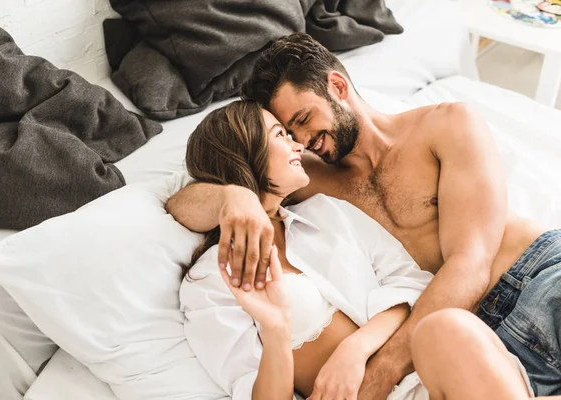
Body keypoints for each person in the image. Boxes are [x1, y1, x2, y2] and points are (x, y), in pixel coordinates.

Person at [166, 33, 561, 397]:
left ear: (337, 87)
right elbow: (181, 202)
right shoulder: (308, 179)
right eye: (287, 132)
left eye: (303, 120)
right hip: (457, 347)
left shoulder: (445, 125)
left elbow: (470, 263)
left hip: (536, 280)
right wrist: (233, 200)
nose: (302, 141)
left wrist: (377, 375)